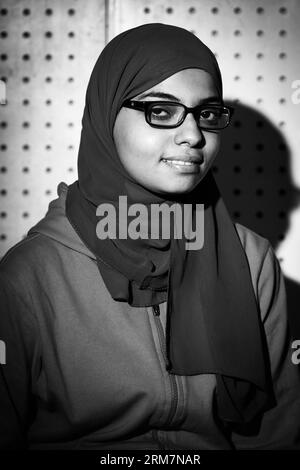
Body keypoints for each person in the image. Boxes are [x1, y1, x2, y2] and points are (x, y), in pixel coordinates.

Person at [0, 23, 299, 450]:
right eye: (161, 111)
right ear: (106, 115)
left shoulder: (250, 259)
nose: (194, 135)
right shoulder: (30, 276)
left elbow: (277, 433)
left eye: (207, 114)